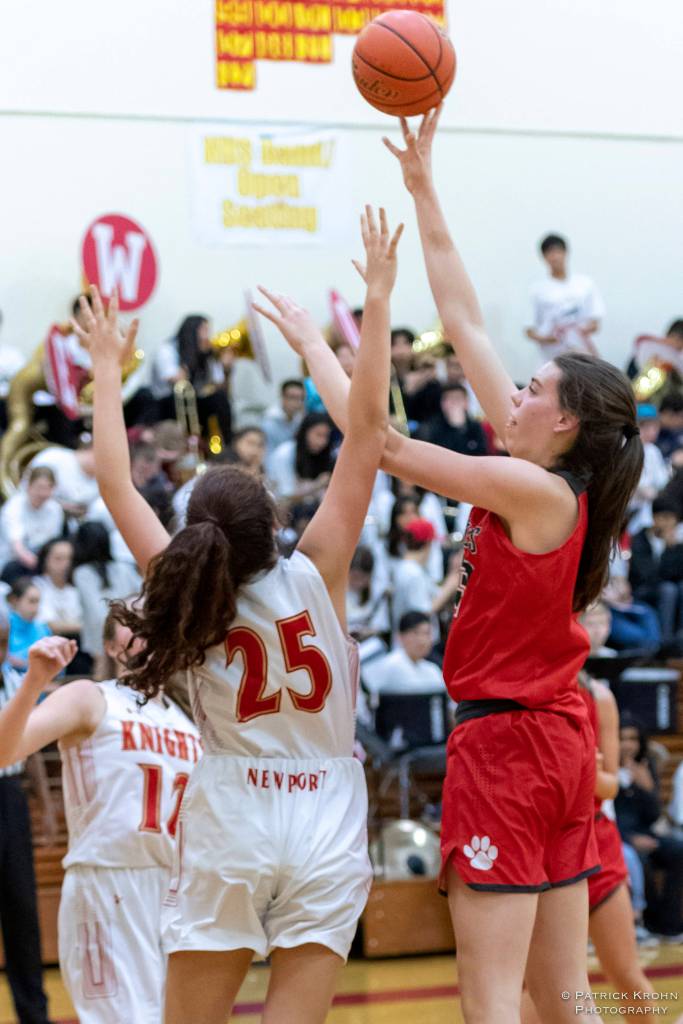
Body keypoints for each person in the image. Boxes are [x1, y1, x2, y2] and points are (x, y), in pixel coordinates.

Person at [289, 109, 643, 1023]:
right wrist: (422, 185)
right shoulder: (547, 478)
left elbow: (381, 444)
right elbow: (465, 320)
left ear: (561, 422)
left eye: (533, 389)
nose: (514, 390)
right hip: (554, 743)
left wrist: (333, 338)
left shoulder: (533, 491)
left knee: (489, 1000)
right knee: (565, 1000)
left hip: (508, 749)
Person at [73, 205, 401, 1024]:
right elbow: (367, 435)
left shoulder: (183, 587)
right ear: (274, 524)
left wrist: (107, 368)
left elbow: (115, 482)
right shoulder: (318, 568)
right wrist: (340, 327)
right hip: (328, 807)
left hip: (232, 810)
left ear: (195, 535)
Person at [0, 612, 201, 1024]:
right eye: (131, 619)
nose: (145, 625)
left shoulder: (188, 723)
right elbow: (5, 753)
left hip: (174, 893)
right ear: (110, 645)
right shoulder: (92, 698)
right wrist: (34, 682)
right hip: (107, 884)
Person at [521, 665, 678, 1021]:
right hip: (542, 848)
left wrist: (578, 766)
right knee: (540, 989)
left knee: (628, 976)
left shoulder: (598, 696)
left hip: (595, 843)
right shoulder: (522, 692)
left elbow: (609, 786)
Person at [0, 612, 51, 1024]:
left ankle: (34, 1013)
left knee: (21, 909)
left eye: (3, 641)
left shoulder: (15, 682)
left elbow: (29, 749)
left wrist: (47, 806)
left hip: (11, 797)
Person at [71, 521, 141, 677]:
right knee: (124, 668)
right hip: (128, 626)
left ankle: (104, 700)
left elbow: (94, 609)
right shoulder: (123, 568)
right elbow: (140, 594)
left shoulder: (82, 573)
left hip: (101, 628)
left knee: (103, 667)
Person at [150, 315, 233, 444]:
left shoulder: (208, 354)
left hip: (194, 402)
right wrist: (192, 354)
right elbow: (177, 381)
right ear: (191, 331)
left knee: (220, 399)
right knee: (180, 398)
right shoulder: (167, 349)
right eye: (204, 330)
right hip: (168, 403)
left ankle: (228, 444)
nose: (208, 335)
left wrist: (226, 370)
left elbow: (220, 386)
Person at [525, 233, 604, 361]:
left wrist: (580, 330)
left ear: (566, 253)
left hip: (584, 355)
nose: (555, 257)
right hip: (553, 358)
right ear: (544, 257)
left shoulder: (585, 284)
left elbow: (595, 321)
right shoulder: (537, 290)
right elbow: (529, 330)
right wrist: (548, 338)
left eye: (558, 251)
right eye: (550, 253)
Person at [0, 467, 64, 582]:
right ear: (29, 486)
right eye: (39, 487)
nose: (43, 493)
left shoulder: (55, 509)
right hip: (13, 563)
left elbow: (54, 543)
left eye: (48, 488)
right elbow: (18, 548)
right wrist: (43, 566)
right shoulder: (13, 508)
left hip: (42, 561)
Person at [364, 610, 444, 696]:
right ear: (400, 636)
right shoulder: (390, 664)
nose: (422, 640)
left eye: (427, 633)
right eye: (415, 633)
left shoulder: (433, 670)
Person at [267, 411, 335, 506]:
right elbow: (286, 496)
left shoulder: (325, 455)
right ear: (305, 432)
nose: (322, 442)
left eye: (326, 436)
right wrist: (317, 485)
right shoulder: (285, 454)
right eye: (318, 435)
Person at [418, 382, 488, 456]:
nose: (454, 403)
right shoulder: (430, 428)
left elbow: (481, 454)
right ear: (443, 404)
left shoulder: (475, 427)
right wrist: (456, 427)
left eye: (457, 398)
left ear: (466, 403)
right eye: (450, 399)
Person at [7, 579, 51, 672]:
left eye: (38, 602)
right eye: (31, 601)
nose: (36, 608)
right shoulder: (4, 627)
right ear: (15, 600)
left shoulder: (43, 629)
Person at [261, 379, 305, 455]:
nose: (297, 402)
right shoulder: (269, 421)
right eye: (292, 397)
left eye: (301, 398)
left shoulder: (299, 419)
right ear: (282, 396)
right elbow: (267, 453)